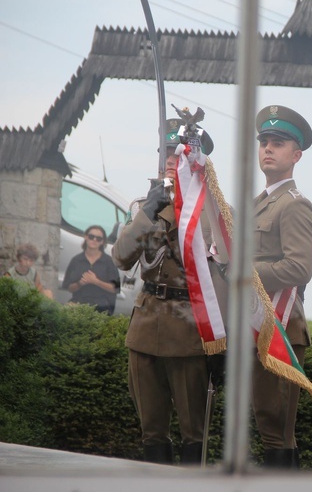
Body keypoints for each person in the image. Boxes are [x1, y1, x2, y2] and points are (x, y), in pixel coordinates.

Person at [112, 117, 224, 465]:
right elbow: (121, 257)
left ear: (197, 161)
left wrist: (223, 342)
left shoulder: (215, 213)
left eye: (179, 155)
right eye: (166, 155)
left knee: (194, 435)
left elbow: (224, 279)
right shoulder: (142, 207)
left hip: (190, 333)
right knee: (152, 433)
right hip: (145, 330)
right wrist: (148, 210)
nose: (171, 162)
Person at [253, 105, 312, 468]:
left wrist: (247, 270)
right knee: (268, 425)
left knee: (278, 431)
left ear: (296, 155)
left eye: (278, 143)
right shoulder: (256, 204)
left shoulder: (295, 205)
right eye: (264, 142)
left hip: (282, 328)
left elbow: (299, 267)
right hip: (258, 323)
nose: (268, 149)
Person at [62, 225, 120, 315]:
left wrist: (95, 281)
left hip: (102, 306)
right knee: (63, 313)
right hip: (78, 303)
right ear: (85, 237)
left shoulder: (109, 261)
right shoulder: (76, 260)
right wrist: (80, 283)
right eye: (91, 236)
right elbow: (68, 287)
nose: (94, 240)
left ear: (103, 242)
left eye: (98, 238)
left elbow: (115, 288)